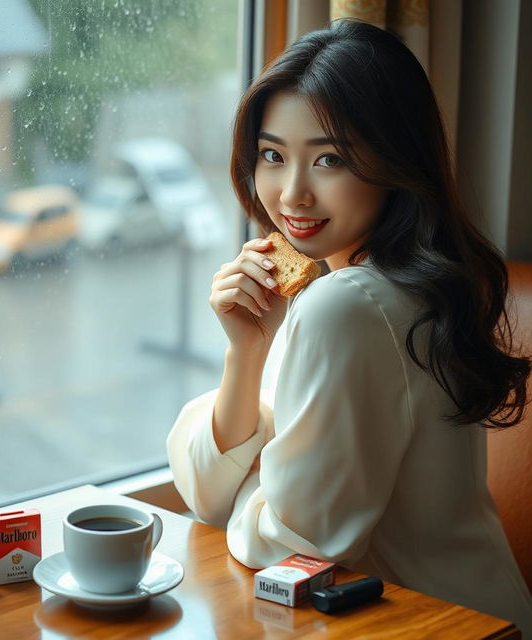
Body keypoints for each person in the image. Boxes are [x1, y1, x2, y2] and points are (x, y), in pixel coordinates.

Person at [166, 19, 532, 635]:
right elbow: (207, 494)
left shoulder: (348, 307)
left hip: (438, 627)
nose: (292, 194)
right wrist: (246, 353)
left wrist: (252, 489)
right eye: (273, 155)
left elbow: (289, 547)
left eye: (330, 159)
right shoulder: (354, 290)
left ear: (393, 162)